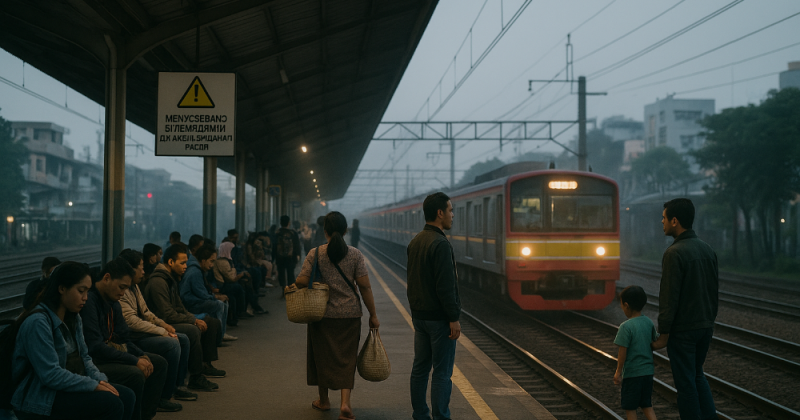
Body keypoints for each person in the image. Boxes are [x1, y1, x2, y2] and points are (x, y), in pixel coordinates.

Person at [11, 261, 136, 420]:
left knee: (126, 395)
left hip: (63, 388)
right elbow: (51, 375)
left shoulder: (74, 317)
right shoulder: (38, 322)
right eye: (81, 291)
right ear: (62, 288)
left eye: (87, 291)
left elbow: (85, 358)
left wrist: (100, 380)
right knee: (111, 403)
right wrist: (93, 385)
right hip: (40, 397)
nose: (85, 298)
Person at [294, 211, 380, 420]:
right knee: (346, 358)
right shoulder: (355, 254)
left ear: (325, 231)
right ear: (346, 230)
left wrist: (318, 283)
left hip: (321, 315)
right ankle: (345, 404)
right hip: (350, 315)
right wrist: (373, 315)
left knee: (321, 357)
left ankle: (324, 401)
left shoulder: (315, 254)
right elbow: (365, 287)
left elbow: (301, 280)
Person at [80, 258, 174, 419]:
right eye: (121, 287)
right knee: (135, 374)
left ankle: (146, 414)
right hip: (97, 359)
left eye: (126, 289)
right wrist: (134, 360)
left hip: (111, 352)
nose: (123, 293)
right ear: (107, 278)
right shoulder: (90, 302)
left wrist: (140, 354)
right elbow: (95, 347)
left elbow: (124, 337)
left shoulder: (114, 302)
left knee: (158, 363)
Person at [651, 198, 718, 419]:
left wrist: (663, 334)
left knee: (686, 384)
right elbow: (713, 291)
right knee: (697, 375)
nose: (661, 222)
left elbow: (669, 298)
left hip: (683, 331)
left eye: (663, 218)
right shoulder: (707, 249)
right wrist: (709, 321)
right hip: (705, 327)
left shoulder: (674, 253)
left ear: (675, 221)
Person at [407, 192, 461, 420]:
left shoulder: (416, 241)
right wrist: (453, 317)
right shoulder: (440, 244)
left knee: (420, 369)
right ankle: (441, 417)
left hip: (420, 317)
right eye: (450, 210)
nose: (452, 215)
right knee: (441, 372)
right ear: (439, 213)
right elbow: (445, 287)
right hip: (439, 319)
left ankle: (420, 415)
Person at [117, 249, 196, 403]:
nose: (143, 270)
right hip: (133, 336)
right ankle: (164, 396)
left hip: (142, 332)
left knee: (183, 338)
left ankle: (178, 386)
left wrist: (163, 325)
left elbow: (146, 312)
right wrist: (161, 331)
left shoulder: (135, 286)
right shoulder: (123, 288)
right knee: (172, 343)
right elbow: (131, 321)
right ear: (129, 269)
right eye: (140, 267)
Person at [144, 244, 225, 391]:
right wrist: (192, 320)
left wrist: (194, 318)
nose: (185, 266)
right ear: (170, 262)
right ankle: (195, 376)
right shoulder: (159, 282)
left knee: (209, 322)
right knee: (193, 331)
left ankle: (205, 364)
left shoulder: (170, 279)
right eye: (182, 263)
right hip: (162, 323)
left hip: (169, 319)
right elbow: (166, 314)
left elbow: (180, 307)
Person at [614, 286, 658, 420]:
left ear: (626, 305)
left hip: (632, 374)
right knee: (647, 405)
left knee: (630, 408)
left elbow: (623, 352)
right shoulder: (648, 322)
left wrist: (618, 372)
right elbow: (655, 340)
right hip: (648, 373)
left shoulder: (625, 327)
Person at [181, 244, 236, 343]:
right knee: (218, 304)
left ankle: (220, 334)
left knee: (221, 302)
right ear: (203, 260)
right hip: (191, 304)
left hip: (193, 301)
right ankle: (218, 337)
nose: (212, 265)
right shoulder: (195, 272)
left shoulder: (196, 268)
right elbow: (202, 294)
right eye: (211, 261)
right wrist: (215, 297)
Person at [213, 242, 253, 320]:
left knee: (241, 286)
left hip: (224, 284)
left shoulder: (226, 261)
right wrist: (241, 274)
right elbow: (231, 278)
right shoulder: (222, 262)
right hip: (221, 285)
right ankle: (241, 310)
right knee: (239, 288)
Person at [273, 215, 301, 292]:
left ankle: (283, 288)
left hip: (280, 257)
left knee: (281, 272)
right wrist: (298, 255)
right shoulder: (293, 233)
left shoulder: (277, 233)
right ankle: (291, 288)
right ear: (289, 223)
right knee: (290, 272)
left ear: (280, 223)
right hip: (290, 257)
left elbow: (274, 246)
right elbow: (297, 245)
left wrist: (273, 258)